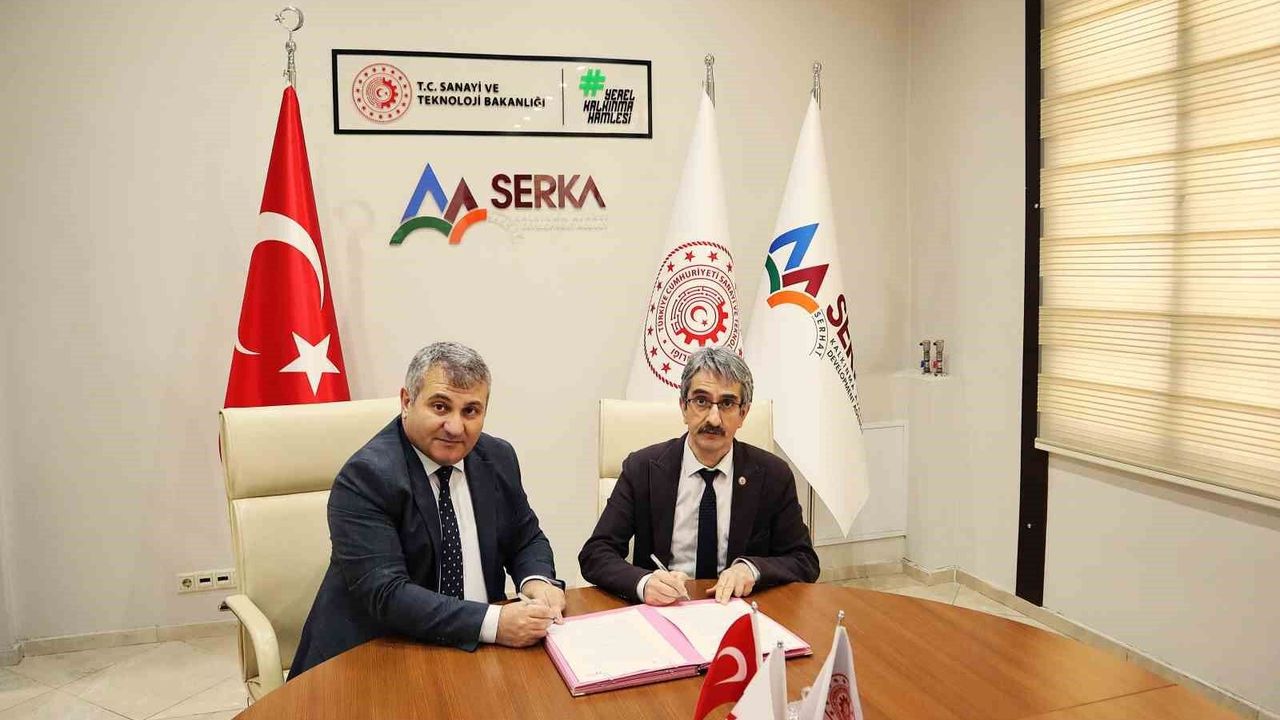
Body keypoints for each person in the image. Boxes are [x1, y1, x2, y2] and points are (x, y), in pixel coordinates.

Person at [289, 342, 565, 679]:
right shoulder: (366, 477)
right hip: (377, 658)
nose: (455, 427)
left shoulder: (497, 457)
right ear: (407, 401)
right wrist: (495, 622)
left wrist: (538, 581)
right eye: (440, 406)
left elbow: (526, 538)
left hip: (478, 654)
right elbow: (387, 594)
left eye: (470, 411)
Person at [579, 347, 819, 606]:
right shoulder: (642, 468)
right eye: (701, 401)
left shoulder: (773, 475)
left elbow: (804, 560)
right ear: (684, 407)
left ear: (743, 413)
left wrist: (752, 569)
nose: (714, 419)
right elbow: (596, 554)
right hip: (666, 608)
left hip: (738, 610)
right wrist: (644, 582)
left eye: (727, 403)